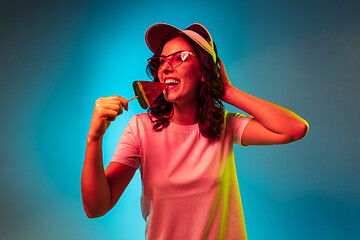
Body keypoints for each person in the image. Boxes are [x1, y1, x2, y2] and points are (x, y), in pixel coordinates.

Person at [81, 23, 309, 240]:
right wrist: (94, 137)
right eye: (161, 61)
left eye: (179, 57)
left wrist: (227, 92)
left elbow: (294, 129)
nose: (166, 67)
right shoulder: (140, 128)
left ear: (203, 72)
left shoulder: (225, 126)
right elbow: (96, 207)